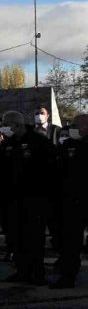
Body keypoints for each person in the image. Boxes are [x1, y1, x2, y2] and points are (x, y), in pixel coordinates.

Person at [1, 110, 55, 286]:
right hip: (13, 199)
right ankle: (22, 271)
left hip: (35, 199)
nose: (4, 129)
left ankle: (38, 274)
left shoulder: (39, 142)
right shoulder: (8, 144)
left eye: (6, 125)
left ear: (17, 124)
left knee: (35, 238)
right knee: (17, 237)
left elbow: (51, 169)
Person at [53, 115, 88, 289]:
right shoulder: (69, 145)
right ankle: (67, 276)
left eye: (75, 125)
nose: (71, 128)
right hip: (72, 201)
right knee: (71, 241)